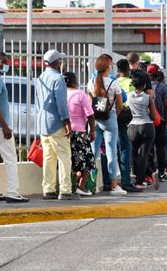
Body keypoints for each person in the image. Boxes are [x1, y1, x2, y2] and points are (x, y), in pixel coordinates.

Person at [0, 51, 29, 203]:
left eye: (6, 62)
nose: (6, 65)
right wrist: (5, 126)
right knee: (10, 159)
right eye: (2, 62)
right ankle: (13, 192)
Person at [37, 50, 79, 200]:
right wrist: (67, 121)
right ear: (56, 63)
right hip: (56, 122)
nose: (61, 63)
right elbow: (61, 103)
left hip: (43, 123)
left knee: (49, 157)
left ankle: (48, 189)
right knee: (64, 156)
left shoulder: (40, 78)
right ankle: (65, 190)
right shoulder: (58, 79)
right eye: (60, 61)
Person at [88, 55, 127, 196]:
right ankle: (114, 186)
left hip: (95, 119)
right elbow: (120, 104)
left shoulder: (91, 82)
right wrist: (114, 115)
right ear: (108, 67)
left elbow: (89, 103)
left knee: (93, 153)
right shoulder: (114, 83)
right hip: (110, 117)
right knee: (111, 153)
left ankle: (88, 185)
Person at [64, 72, 96, 195]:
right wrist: (92, 130)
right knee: (87, 160)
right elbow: (90, 115)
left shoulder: (62, 95)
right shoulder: (80, 94)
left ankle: (70, 185)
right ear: (74, 81)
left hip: (66, 132)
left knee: (69, 159)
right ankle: (82, 186)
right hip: (79, 132)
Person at [128, 70, 157, 190]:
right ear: (144, 85)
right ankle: (140, 181)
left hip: (132, 127)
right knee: (144, 155)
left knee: (135, 154)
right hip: (147, 126)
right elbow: (154, 116)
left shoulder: (128, 96)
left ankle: (148, 173)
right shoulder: (147, 98)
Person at [115, 59, 141, 192]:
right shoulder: (131, 83)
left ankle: (110, 181)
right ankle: (126, 181)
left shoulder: (113, 81)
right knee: (125, 148)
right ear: (128, 69)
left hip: (110, 116)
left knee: (111, 149)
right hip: (126, 118)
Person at [147, 64, 167, 183]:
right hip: (159, 121)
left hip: (146, 122)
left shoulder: (143, 87)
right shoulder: (162, 87)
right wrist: (166, 122)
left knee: (148, 149)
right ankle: (161, 173)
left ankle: (151, 173)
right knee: (160, 148)